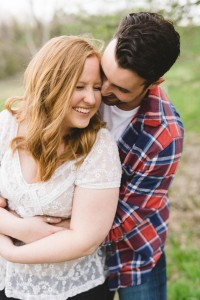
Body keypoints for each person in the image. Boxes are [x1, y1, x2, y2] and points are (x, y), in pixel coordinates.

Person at [0, 35, 122, 300]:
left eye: (96, 87)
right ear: (49, 85)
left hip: (71, 290)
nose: (91, 99)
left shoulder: (99, 146)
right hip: (4, 280)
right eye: (79, 86)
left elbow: (85, 240)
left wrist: (12, 252)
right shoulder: (5, 126)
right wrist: (23, 230)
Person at [99, 12, 184, 300]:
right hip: (71, 245)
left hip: (132, 248)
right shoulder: (82, 84)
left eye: (121, 88)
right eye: (104, 74)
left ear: (154, 82)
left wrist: (62, 230)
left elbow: (127, 218)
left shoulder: (165, 134)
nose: (103, 91)